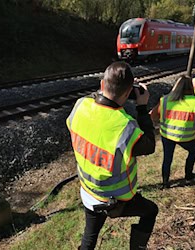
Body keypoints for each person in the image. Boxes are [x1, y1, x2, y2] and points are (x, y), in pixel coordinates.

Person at [66, 61, 158, 250]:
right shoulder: (126, 127)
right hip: (116, 200)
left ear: (101, 85)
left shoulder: (80, 105)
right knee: (150, 211)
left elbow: (95, 107)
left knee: (90, 235)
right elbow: (149, 146)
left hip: (89, 191)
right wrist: (142, 107)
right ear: (127, 94)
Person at [150, 76, 195, 188]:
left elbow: (153, 116)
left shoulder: (165, 100)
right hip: (187, 137)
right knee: (192, 151)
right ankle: (188, 175)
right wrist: (194, 135)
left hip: (167, 135)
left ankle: (165, 183)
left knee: (167, 158)